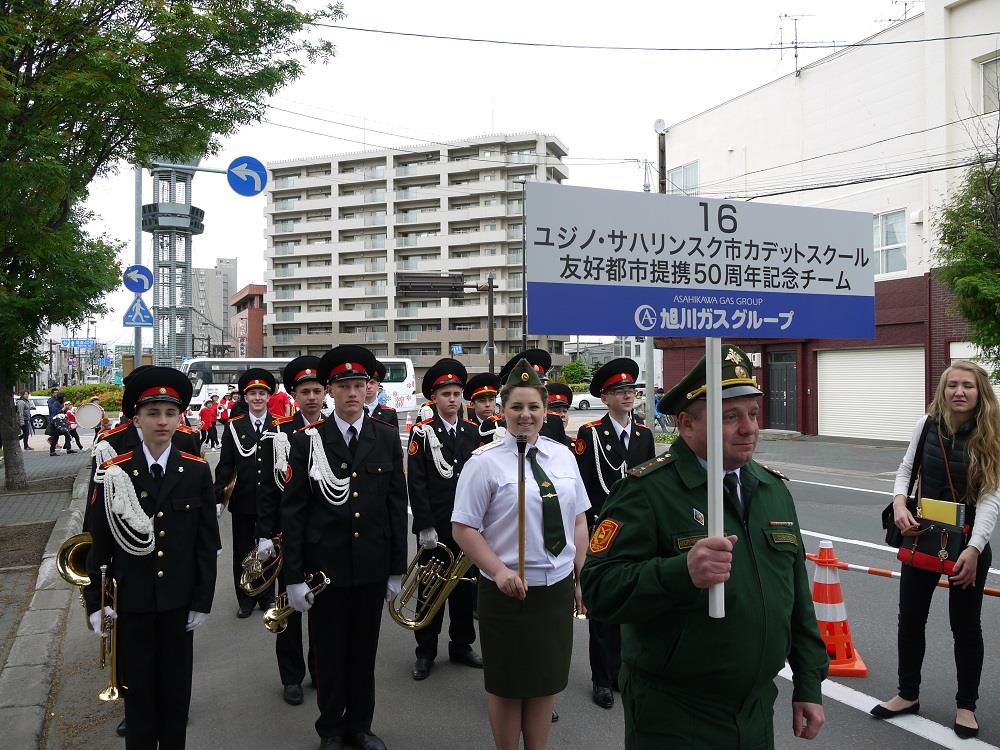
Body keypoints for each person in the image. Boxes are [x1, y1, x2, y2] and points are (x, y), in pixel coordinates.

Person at [580, 344, 828, 749]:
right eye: (730, 417)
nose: (748, 428)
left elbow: (796, 596)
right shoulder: (647, 491)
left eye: (753, 414)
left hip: (756, 709)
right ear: (686, 424)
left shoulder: (771, 490)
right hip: (676, 714)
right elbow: (599, 589)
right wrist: (680, 572)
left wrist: (809, 681)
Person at [452, 359, 591, 750]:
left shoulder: (563, 456)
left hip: (555, 590)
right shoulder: (483, 463)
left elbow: (579, 520)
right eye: (517, 407)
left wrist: (582, 575)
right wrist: (498, 571)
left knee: (545, 682)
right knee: (508, 685)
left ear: (546, 410)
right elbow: (463, 528)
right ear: (503, 410)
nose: (525, 415)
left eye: (533, 406)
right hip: (508, 591)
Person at [83, 366, 219, 750]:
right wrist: (95, 602)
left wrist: (202, 599)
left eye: (170, 413)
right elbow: (99, 542)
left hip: (179, 602)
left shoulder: (195, 471)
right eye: (153, 413)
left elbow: (206, 544)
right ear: (136, 418)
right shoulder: (114, 471)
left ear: (180, 418)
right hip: (133, 603)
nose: (162, 421)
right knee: (139, 700)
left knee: (176, 698)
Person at [281, 345, 407, 750]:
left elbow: (395, 505)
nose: (352, 393)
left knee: (364, 652)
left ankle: (360, 727)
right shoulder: (308, 441)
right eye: (344, 386)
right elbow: (294, 513)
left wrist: (396, 568)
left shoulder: (385, 437)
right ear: (330, 391)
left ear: (369, 388)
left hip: (371, 564)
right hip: (326, 568)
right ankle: (331, 728)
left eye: (359, 385)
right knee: (330, 653)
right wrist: (293, 577)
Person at [872, 359, 1000, 739]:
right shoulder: (926, 425)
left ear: (980, 392)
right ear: (942, 390)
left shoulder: (991, 434)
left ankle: (966, 706)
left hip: (968, 544)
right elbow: (905, 469)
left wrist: (974, 549)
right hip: (923, 534)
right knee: (910, 619)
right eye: (952, 385)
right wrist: (899, 503)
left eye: (967, 386)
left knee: (966, 626)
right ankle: (907, 694)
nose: (959, 391)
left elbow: (991, 498)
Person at [573, 358, 655, 710]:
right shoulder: (590, 433)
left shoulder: (644, 434)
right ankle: (602, 678)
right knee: (603, 608)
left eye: (631, 390)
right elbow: (582, 486)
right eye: (619, 391)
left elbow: (649, 484)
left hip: (634, 533)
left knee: (630, 604)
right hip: (601, 531)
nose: (627, 395)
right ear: (604, 398)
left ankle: (622, 670)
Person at [255, 355, 325, 706]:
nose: (311, 397)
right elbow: (268, 489)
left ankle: (320, 669)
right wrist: (264, 534)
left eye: (316, 391)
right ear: (294, 395)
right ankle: (291, 676)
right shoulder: (279, 433)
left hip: (326, 536)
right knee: (289, 607)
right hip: (289, 536)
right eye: (304, 391)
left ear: (325, 393)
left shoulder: (334, 428)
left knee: (324, 610)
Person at [407, 358, 482, 681]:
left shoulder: (472, 432)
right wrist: (424, 525)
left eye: (456, 394)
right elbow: (417, 482)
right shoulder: (422, 433)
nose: (452, 400)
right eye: (446, 394)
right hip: (436, 527)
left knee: (464, 589)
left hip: (468, 526)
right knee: (430, 589)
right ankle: (425, 651)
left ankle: (461, 645)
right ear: (434, 398)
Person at [214, 368, 279, 618]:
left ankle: (267, 596)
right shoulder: (234, 426)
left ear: (269, 396)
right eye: (253, 394)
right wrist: (218, 496)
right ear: (246, 397)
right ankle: (246, 598)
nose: (257, 398)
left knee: (269, 550)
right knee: (242, 551)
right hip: (243, 500)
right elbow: (226, 465)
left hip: (271, 501)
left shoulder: (279, 425)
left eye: (262, 393)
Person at [464, 373, 504, 445]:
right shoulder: (466, 425)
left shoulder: (502, 423)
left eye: (491, 400)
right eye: (482, 401)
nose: (487, 404)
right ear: (472, 404)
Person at [365, 360, 399, 429]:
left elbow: (394, 435)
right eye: (365, 383)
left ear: (378, 385)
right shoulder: (353, 411)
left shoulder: (389, 413)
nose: (368, 386)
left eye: (372, 383)